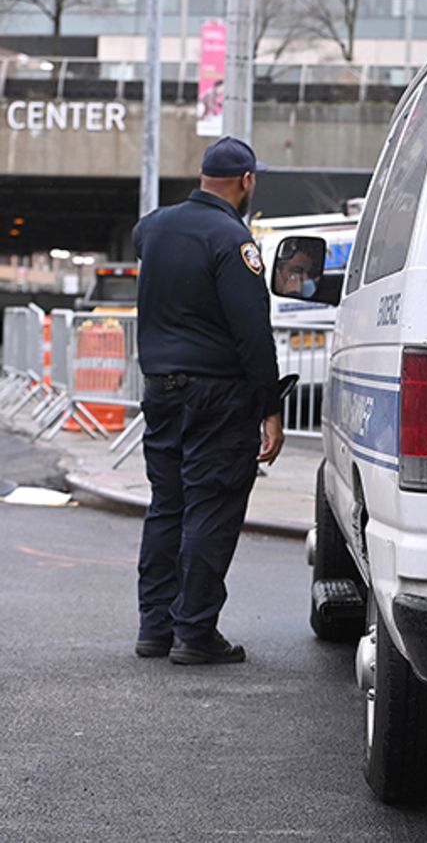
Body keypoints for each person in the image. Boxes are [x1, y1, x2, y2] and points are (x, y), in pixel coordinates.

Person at [131, 135, 285, 665]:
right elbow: (252, 332)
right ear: (246, 181)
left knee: (166, 506)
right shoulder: (232, 240)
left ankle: (154, 628)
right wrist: (270, 405)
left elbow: (143, 244)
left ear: (202, 177)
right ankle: (194, 633)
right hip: (217, 397)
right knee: (211, 507)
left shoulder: (153, 226)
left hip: (162, 391)